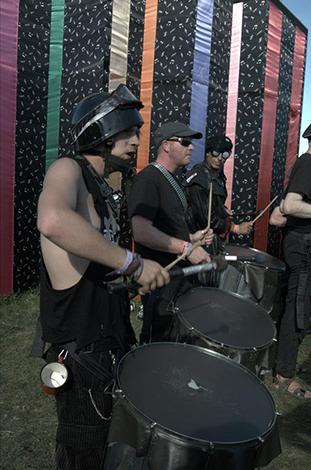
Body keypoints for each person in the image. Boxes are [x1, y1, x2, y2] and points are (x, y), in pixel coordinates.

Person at [37, 84, 169, 470]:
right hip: (82, 351)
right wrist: (133, 263)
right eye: (128, 132)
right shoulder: (68, 169)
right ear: (101, 133)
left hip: (110, 336)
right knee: (84, 453)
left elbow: (93, 264)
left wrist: (129, 280)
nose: (136, 141)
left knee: (114, 444)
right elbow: (52, 220)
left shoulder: (104, 187)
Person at [128, 121, 214, 343]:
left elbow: (167, 227)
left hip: (176, 280)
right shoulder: (148, 179)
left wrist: (193, 238)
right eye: (185, 142)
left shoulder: (171, 179)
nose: (192, 147)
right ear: (165, 145)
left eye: (192, 143)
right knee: (156, 345)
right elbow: (141, 231)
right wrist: (186, 248)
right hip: (161, 281)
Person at [273, 116, 311, 400]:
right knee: (298, 309)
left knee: (301, 306)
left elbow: (281, 211)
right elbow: (290, 205)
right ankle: (284, 377)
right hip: (305, 247)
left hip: (308, 246)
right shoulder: (308, 163)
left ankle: (283, 369)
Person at [182, 136, 253, 286]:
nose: (220, 158)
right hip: (200, 240)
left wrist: (224, 211)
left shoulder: (218, 175)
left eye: (225, 154)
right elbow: (206, 219)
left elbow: (213, 206)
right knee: (200, 286)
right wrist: (236, 228)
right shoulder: (200, 179)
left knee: (212, 283)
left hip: (212, 240)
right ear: (207, 152)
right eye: (216, 152)